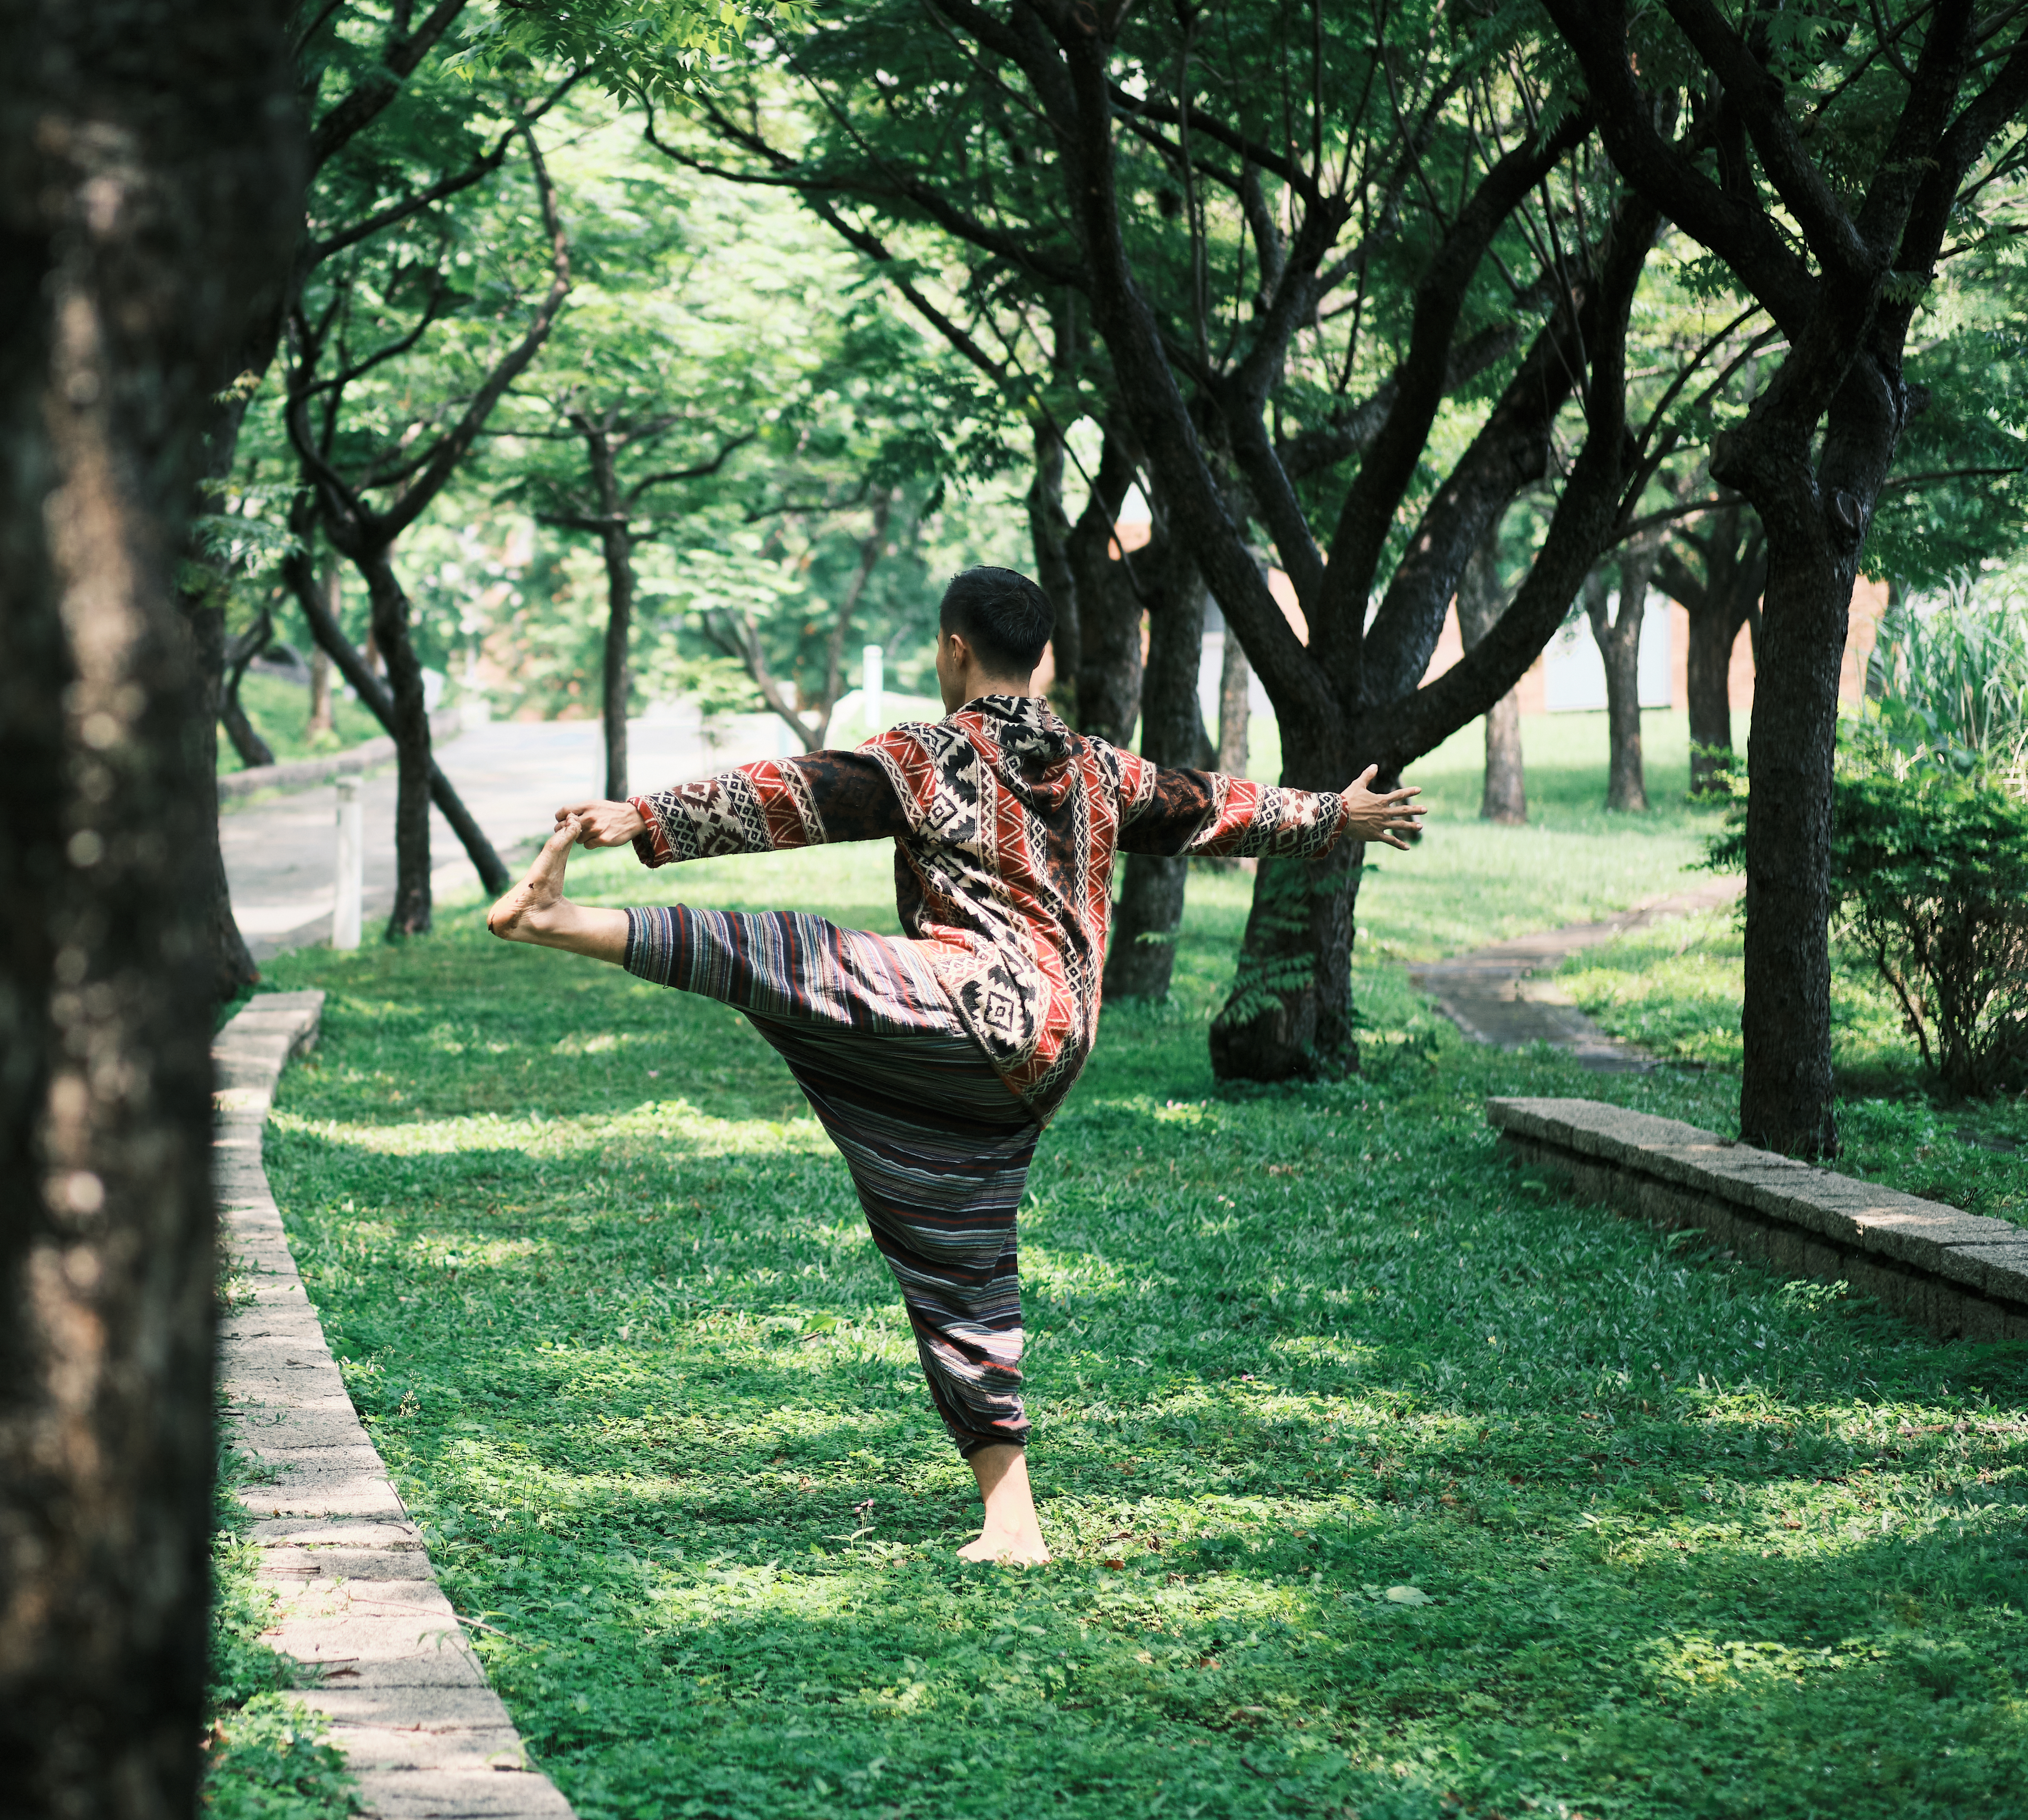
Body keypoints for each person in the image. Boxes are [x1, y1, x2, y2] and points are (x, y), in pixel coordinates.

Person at [485, 565, 1423, 1563]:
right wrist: (1339, 814)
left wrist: (646, 816)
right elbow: (1215, 806)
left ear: (953, 650)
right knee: (954, 1255)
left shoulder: (932, 754)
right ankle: (1013, 1522)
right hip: (1052, 1053)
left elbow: (800, 795)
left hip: (973, 1004)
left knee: (794, 958)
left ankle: (561, 921)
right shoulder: (1100, 767)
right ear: (1046, 658)